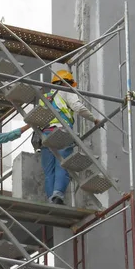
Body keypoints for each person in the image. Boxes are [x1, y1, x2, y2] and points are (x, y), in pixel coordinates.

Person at [40, 70, 100, 205]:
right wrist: (94, 119)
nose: (72, 86)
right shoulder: (66, 91)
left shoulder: (46, 97)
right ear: (65, 82)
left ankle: (51, 199)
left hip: (45, 134)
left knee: (49, 171)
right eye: (71, 84)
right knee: (63, 165)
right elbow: (77, 107)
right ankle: (57, 196)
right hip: (61, 132)